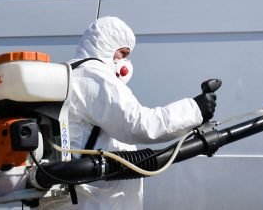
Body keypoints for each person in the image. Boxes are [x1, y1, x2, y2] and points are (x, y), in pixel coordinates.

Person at [40, 16, 216, 210]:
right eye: (123, 53)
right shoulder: (94, 76)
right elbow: (139, 124)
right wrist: (195, 109)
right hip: (95, 202)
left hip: (77, 200)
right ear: (107, 45)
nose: (124, 62)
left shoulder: (70, 73)